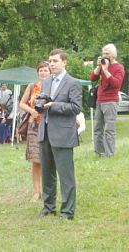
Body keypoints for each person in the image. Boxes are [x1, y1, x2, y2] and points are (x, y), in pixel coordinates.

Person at [37, 49, 82, 220]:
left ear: (64, 62)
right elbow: (45, 101)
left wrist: (53, 105)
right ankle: (48, 207)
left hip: (62, 134)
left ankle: (67, 211)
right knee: (47, 173)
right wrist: (40, 104)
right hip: (45, 132)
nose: (51, 64)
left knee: (65, 175)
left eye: (55, 61)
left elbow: (76, 107)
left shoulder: (73, 83)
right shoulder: (46, 81)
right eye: (50, 61)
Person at [19, 61, 51, 202]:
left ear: (50, 72)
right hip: (34, 127)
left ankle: (48, 190)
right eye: (41, 70)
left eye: (46, 70)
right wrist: (32, 110)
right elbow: (21, 103)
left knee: (48, 160)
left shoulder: (53, 87)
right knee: (36, 161)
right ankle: (36, 192)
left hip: (49, 125)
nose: (43, 72)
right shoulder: (32, 86)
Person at [89, 43, 125, 157]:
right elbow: (92, 78)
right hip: (100, 100)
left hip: (111, 101)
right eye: (103, 53)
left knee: (109, 129)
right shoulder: (102, 65)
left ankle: (109, 154)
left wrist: (105, 70)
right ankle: (99, 152)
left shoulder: (119, 67)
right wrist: (99, 66)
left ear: (113, 56)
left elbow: (116, 84)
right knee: (97, 128)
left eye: (107, 54)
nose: (104, 55)